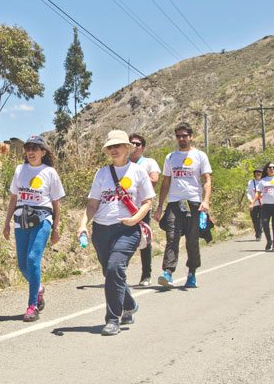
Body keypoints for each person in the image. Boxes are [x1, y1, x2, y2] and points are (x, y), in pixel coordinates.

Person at [77, 130, 154, 336]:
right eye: (110, 147)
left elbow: (147, 202)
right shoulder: (102, 174)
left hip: (127, 229)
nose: (113, 150)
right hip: (101, 230)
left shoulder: (138, 172)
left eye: (117, 146)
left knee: (114, 268)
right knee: (110, 273)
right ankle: (129, 304)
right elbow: (92, 204)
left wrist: (135, 219)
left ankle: (113, 319)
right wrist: (83, 224)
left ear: (127, 148)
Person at [3, 135, 65, 322]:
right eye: (28, 148)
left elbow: (56, 203)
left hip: (42, 218)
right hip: (21, 218)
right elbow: (14, 198)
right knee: (22, 265)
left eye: (35, 148)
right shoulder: (19, 170)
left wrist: (56, 228)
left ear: (43, 152)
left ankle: (32, 306)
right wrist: (6, 223)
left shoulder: (50, 172)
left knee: (32, 259)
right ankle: (38, 288)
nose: (30, 152)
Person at [154, 122, 212, 288]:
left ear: (191, 137)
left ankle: (192, 273)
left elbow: (207, 180)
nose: (181, 139)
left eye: (184, 136)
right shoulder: (171, 157)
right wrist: (160, 206)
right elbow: (166, 182)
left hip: (194, 203)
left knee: (192, 240)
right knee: (172, 237)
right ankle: (168, 272)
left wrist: (206, 201)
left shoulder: (200, 156)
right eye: (178, 136)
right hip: (175, 203)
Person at [128, 133, 160, 286]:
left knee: (144, 241)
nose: (134, 146)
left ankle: (146, 275)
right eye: (131, 143)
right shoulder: (123, 164)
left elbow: (154, 180)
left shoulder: (148, 162)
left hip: (142, 208)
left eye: (137, 144)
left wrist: (138, 176)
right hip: (125, 208)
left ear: (143, 147)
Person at [251, 162, 274, 251]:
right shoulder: (263, 180)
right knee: (265, 223)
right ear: (266, 169)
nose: (272, 169)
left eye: (273, 167)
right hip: (266, 205)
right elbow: (258, 193)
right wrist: (252, 202)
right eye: (270, 167)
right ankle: (269, 241)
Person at [246, 169, 263, 240]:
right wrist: (250, 201)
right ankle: (257, 231)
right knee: (254, 219)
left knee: (260, 219)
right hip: (253, 203)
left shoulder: (264, 181)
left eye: (260, 172)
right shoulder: (251, 182)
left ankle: (259, 234)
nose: (258, 174)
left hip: (262, 203)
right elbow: (248, 192)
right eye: (257, 172)